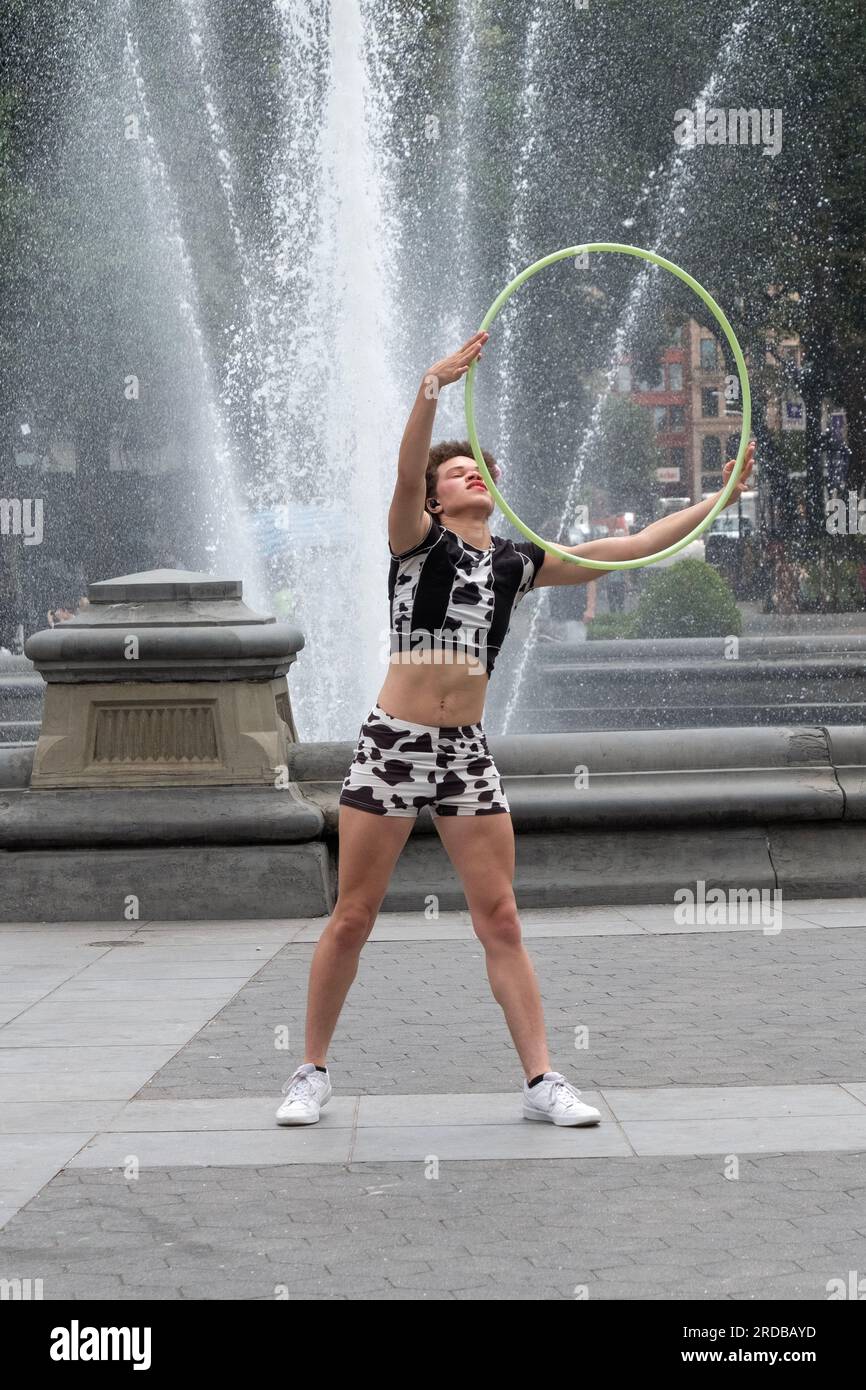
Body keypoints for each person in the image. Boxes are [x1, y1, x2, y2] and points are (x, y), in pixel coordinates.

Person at [276, 330, 756, 1128]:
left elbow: (629, 549)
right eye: (457, 471)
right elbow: (404, 472)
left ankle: (542, 1082)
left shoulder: (513, 563)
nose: (475, 473)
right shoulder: (413, 543)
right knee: (353, 914)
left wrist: (717, 499)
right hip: (393, 743)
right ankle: (309, 1071)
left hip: (465, 754)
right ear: (435, 499)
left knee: (499, 917)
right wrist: (430, 387)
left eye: (482, 470)